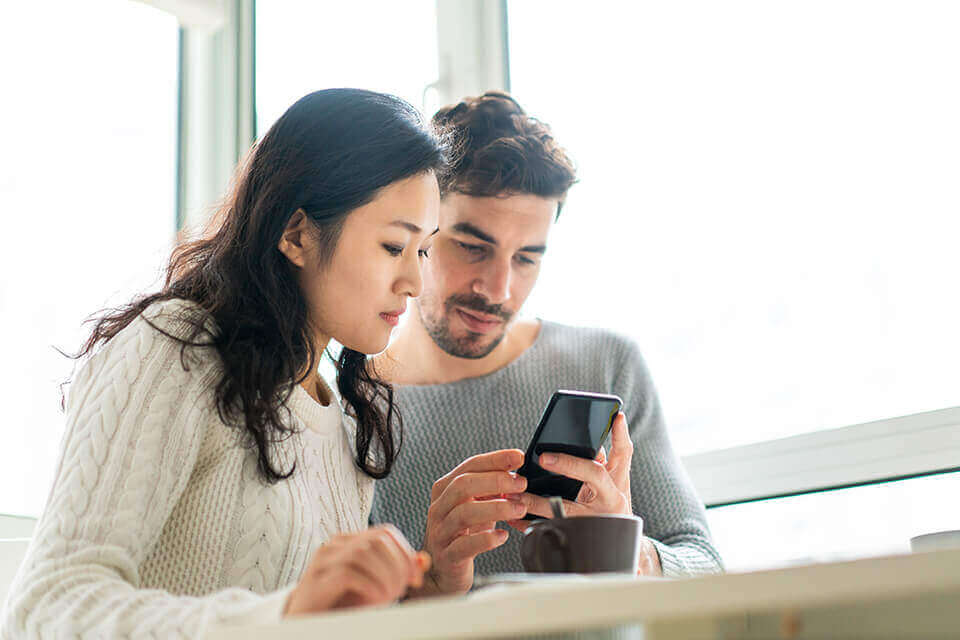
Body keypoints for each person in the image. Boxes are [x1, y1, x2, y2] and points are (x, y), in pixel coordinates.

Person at [1, 88, 447, 638]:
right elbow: (45, 607)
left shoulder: (346, 420)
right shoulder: (174, 350)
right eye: (392, 247)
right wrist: (279, 616)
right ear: (297, 233)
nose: (416, 282)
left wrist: (440, 578)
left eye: (424, 250)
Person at [371, 92, 724, 597]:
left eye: (527, 259)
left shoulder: (607, 366)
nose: (498, 290)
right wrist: (431, 586)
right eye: (473, 247)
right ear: (419, 231)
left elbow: (706, 568)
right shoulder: (351, 409)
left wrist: (624, 547)